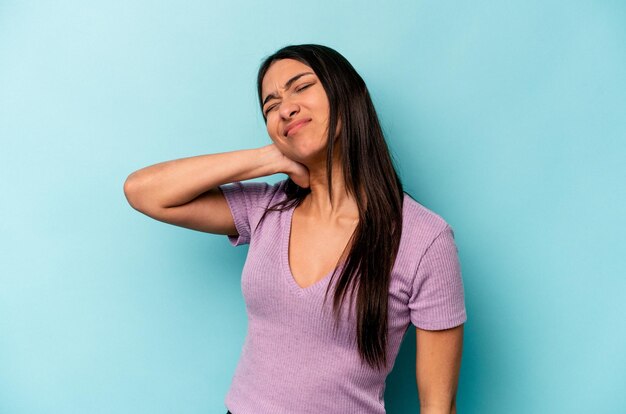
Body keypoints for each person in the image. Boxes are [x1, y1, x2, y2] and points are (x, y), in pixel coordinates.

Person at [123, 44, 467, 414]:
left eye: (301, 87)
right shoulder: (267, 208)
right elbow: (143, 191)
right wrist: (269, 157)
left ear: (351, 95)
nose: (285, 108)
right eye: (271, 106)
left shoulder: (425, 239)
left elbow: (437, 404)